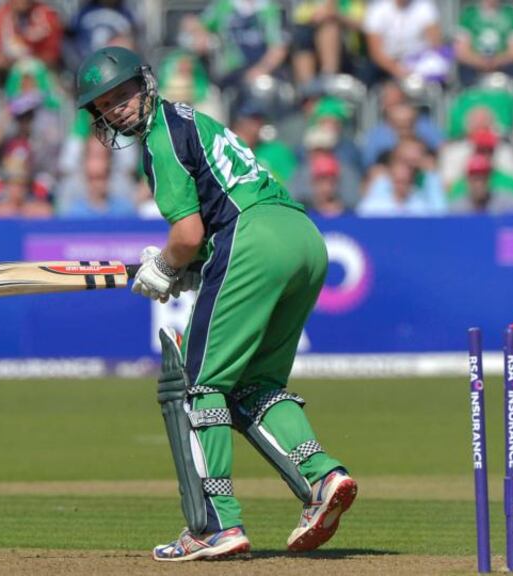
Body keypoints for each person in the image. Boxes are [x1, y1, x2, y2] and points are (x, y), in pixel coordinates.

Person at [75, 46, 357, 561]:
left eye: (123, 94)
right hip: (303, 239)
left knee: (198, 385)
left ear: (146, 83)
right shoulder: (193, 119)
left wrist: (165, 266)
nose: (117, 108)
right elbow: (212, 220)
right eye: (105, 105)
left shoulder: (160, 139)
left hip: (250, 240)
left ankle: (214, 525)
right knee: (256, 385)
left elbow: (187, 233)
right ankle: (323, 478)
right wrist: (190, 265)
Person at [363, 0, 443, 82]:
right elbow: (376, 51)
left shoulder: (424, 6)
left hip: (418, 62)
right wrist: (397, 69)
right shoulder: (377, 9)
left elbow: (435, 43)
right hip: (386, 64)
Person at [290, 0, 367, 85]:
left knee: (329, 27)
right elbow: (300, 18)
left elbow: (365, 24)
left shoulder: (354, 3)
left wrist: (336, 15)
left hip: (350, 51)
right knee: (302, 35)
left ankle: (328, 77)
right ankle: (307, 87)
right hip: (314, 44)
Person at [453, 0, 513, 85]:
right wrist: (482, 63)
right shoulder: (468, 14)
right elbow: (461, 52)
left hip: (504, 70)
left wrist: (495, 62)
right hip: (473, 70)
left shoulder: (511, 15)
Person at [0, 0, 63, 79]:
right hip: (8, 72)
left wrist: (27, 62)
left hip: (40, 71)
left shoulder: (47, 16)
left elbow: (51, 56)